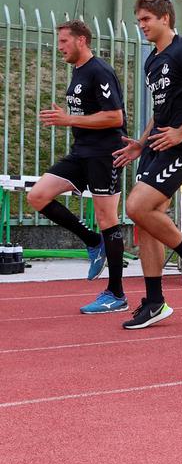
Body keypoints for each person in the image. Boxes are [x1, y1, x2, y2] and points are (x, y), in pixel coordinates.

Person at [114, 0, 182, 329]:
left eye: (147, 19)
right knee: (146, 219)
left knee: (137, 206)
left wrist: (180, 132)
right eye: (139, 20)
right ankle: (154, 301)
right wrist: (141, 143)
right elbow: (160, 111)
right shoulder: (152, 61)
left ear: (165, 18)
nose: (142, 26)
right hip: (157, 145)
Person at [28, 20, 128, 313]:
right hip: (81, 153)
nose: (59, 48)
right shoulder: (78, 71)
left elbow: (115, 118)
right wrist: (69, 118)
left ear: (81, 40)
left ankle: (117, 294)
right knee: (38, 195)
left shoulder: (100, 70)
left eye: (63, 42)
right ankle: (91, 240)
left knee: (107, 218)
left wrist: (69, 119)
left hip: (104, 155)